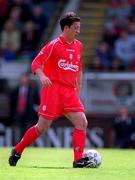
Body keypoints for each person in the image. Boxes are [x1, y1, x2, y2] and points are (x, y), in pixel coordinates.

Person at [8, 12, 90, 168]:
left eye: (79, 28)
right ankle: (17, 150)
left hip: (69, 93)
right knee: (41, 128)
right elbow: (36, 63)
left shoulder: (79, 46)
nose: (78, 31)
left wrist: (78, 89)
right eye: (76, 28)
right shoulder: (53, 45)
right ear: (66, 28)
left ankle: (78, 160)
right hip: (52, 90)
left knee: (82, 122)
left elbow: (79, 69)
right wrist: (42, 76)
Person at [10, 73, 40, 142]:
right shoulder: (15, 90)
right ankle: (17, 144)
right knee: (18, 131)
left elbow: (37, 102)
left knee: (28, 130)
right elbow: (12, 103)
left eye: (25, 78)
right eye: (22, 78)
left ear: (28, 80)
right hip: (18, 114)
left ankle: (27, 144)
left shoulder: (32, 91)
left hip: (29, 115)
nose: (23, 80)